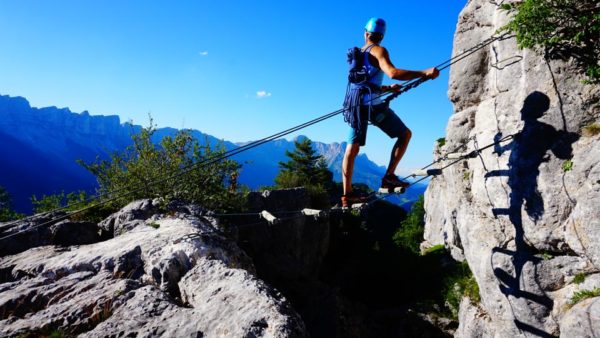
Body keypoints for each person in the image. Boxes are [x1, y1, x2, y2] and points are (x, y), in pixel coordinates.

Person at [341, 17, 440, 207]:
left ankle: (347, 195)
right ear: (382, 36)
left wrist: (386, 89)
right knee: (405, 134)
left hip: (355, 105)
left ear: (366, 33)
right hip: (372, 106)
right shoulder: (379, 50)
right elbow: (393, 72)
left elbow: (363, 83)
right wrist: (424, 72)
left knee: (351, 150)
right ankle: (389, 177)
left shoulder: (358, 54)